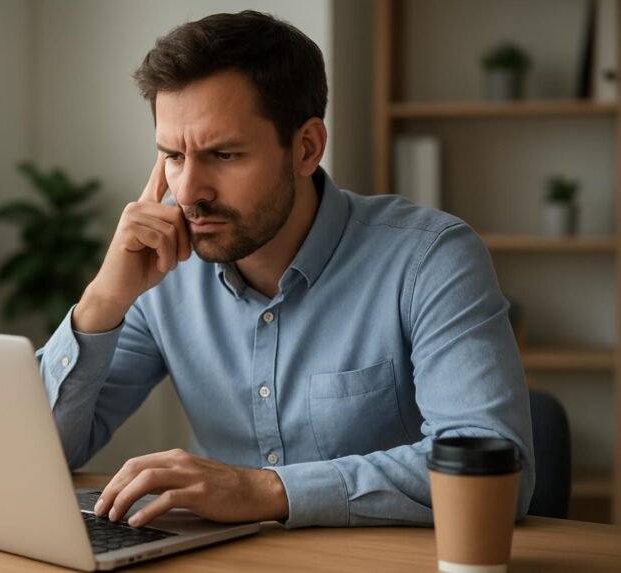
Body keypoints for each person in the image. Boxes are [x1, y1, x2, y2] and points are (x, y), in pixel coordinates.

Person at [36, 10, 535, 529]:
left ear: (306, 148)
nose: (187, 193)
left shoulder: (431, 259)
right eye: (173, 157)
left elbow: (496, 469)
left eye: (223, 154)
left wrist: (267, 491)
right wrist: (102, 302)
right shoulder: (163, 270)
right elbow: (40, 455)